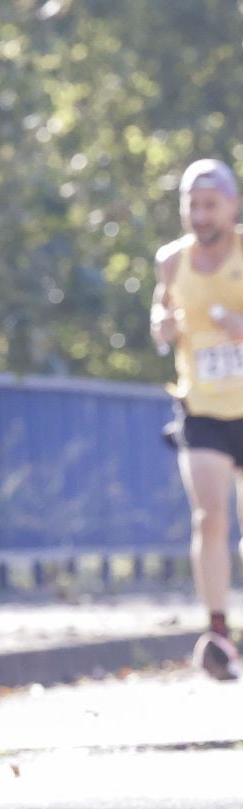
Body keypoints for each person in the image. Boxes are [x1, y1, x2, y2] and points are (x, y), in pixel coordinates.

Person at [151, 157, 243, 682]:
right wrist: (161, 327)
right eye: (193, 204)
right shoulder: (170, 261)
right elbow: (160, 316)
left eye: (211, 204)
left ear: (232, 205)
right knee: (209, 517)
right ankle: (217, 633)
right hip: (203, 408)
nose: (201, 214)